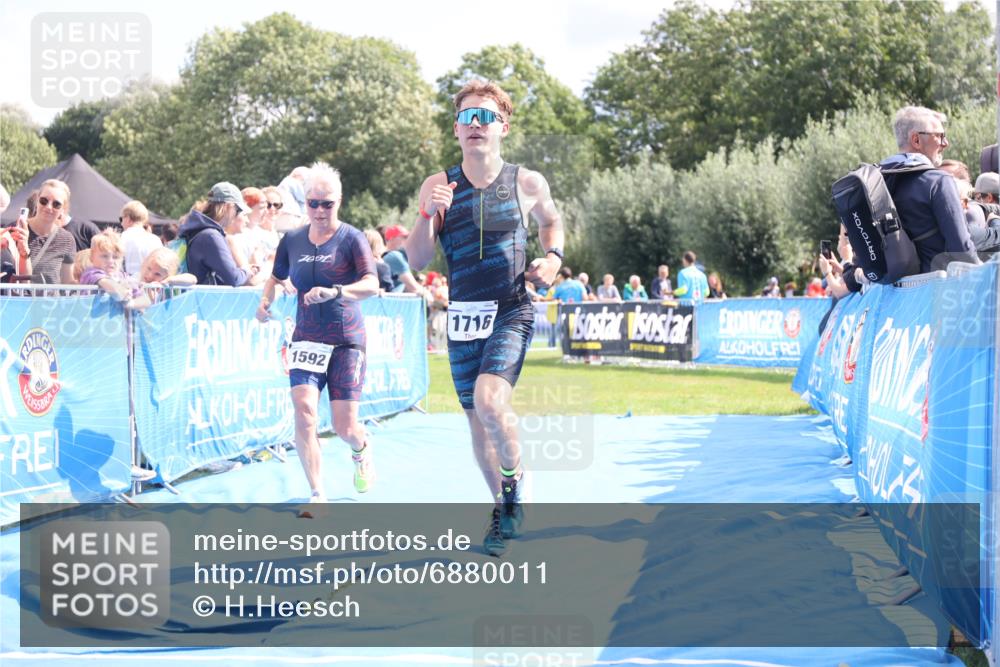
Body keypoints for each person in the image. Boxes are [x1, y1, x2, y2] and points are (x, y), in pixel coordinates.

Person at [404, 80, 564, 556]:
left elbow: (551, 222)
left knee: (491, 402)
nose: (476, 125)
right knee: (477, 422)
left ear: (503, 127)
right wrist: (426, 216)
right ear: (456, 130)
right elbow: (415, 259)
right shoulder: (438, 184)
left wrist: (552, 259)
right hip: (462, 316)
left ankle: (516, 490)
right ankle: (502, 511)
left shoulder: (526, 182)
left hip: (510, 308)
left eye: (485, 117)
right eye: (467, 117)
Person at [255, 163, 379, 507]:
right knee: (305, 410)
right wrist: (265, 301)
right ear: (305, 203)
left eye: (328, 204)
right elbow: (276, 277)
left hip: (346, 339)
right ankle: (316, 493)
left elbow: (372, 284)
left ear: (339, 202)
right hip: (307, 337)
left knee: (345, 427)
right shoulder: (292, 239)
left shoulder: (351, 238)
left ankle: (361, 448)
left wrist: (336, 291)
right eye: (313, 204)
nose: (320, 211)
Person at [878, 106, 976, 273]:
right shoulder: (938, 182)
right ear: (916, 140)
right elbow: (962, 250)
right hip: (937, 289)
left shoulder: (880, 183)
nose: (946, 143)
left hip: (895, 293)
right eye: (939, 136)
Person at [176, 182, 262, 286]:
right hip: (203, 300)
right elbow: (234, 278)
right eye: (238, 210)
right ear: (227, 206)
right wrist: (246, 271)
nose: (237, 214)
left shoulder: (197, 230)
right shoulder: (211, 236)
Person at [79, 231, 149, 310]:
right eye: (104, 256)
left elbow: (146, 301)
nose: (111, 261)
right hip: (92, 320)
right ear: (92, 257)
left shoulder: (123, 276)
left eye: (116, 257)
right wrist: (124, 289)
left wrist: (131, 304)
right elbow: (117, 292)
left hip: (119, 321)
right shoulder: (91, 273)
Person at [24, 180, 76, 285]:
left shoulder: (66, 239)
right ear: (37, 201)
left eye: (56, 204)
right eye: (44, 200)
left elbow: (68, 281)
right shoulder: (16, 230)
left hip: (50, 301)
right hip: (15, 300)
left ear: (63, 209)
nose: (48, 207)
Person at [120, 200, 162, 276]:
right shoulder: (155, 240)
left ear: (128, 218)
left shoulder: (119, 239)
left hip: (125, 284)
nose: (121, 223)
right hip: (149, 284)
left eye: (121, 219)